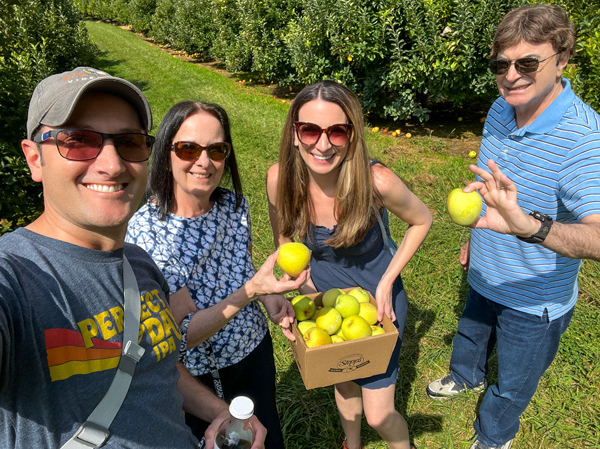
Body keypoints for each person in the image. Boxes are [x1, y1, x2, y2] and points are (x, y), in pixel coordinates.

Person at [0, 67, 271, 449]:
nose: (111, 164)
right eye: (78, 140)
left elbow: (151, 362)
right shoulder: (18, 279)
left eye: (128, 141)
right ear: (34, 159)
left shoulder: (139, 266)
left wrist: (218, 412)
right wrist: (251, 291)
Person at [425, 5, 600, 449]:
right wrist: (474, 236)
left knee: (513, 385)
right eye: (502, 64)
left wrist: (531, 228)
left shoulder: (584, 139)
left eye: (527, 63)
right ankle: (464, 376)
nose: (511, 76)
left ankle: (493, 436)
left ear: (562, 58)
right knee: (470, 332)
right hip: (486, 270)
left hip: (535, 300)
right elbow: (486, 185)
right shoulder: (501, 110)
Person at [126, 100, 307, 449]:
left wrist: (269, 297)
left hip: (254, 350)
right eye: (188, 149)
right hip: (201, 376)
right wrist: (251, 293)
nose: (204, 162)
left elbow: (239, 267)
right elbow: (181, 336)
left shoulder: (234, 206)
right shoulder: (147, 233)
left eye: (217, 150)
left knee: (268, 433)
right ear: (165, 152)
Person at [266, 80, 432, 449]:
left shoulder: (376, 181)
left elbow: (422, 220)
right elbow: (285, 242)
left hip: (377, 301)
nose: (321, 145)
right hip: (324, 298)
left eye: (336, 132)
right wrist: (304, 288)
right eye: (309, 130)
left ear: (352, 135)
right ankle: (351, 443)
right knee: (342, 379)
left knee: (379, 414)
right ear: (294, 133)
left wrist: (389, 280)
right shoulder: (280, 179)